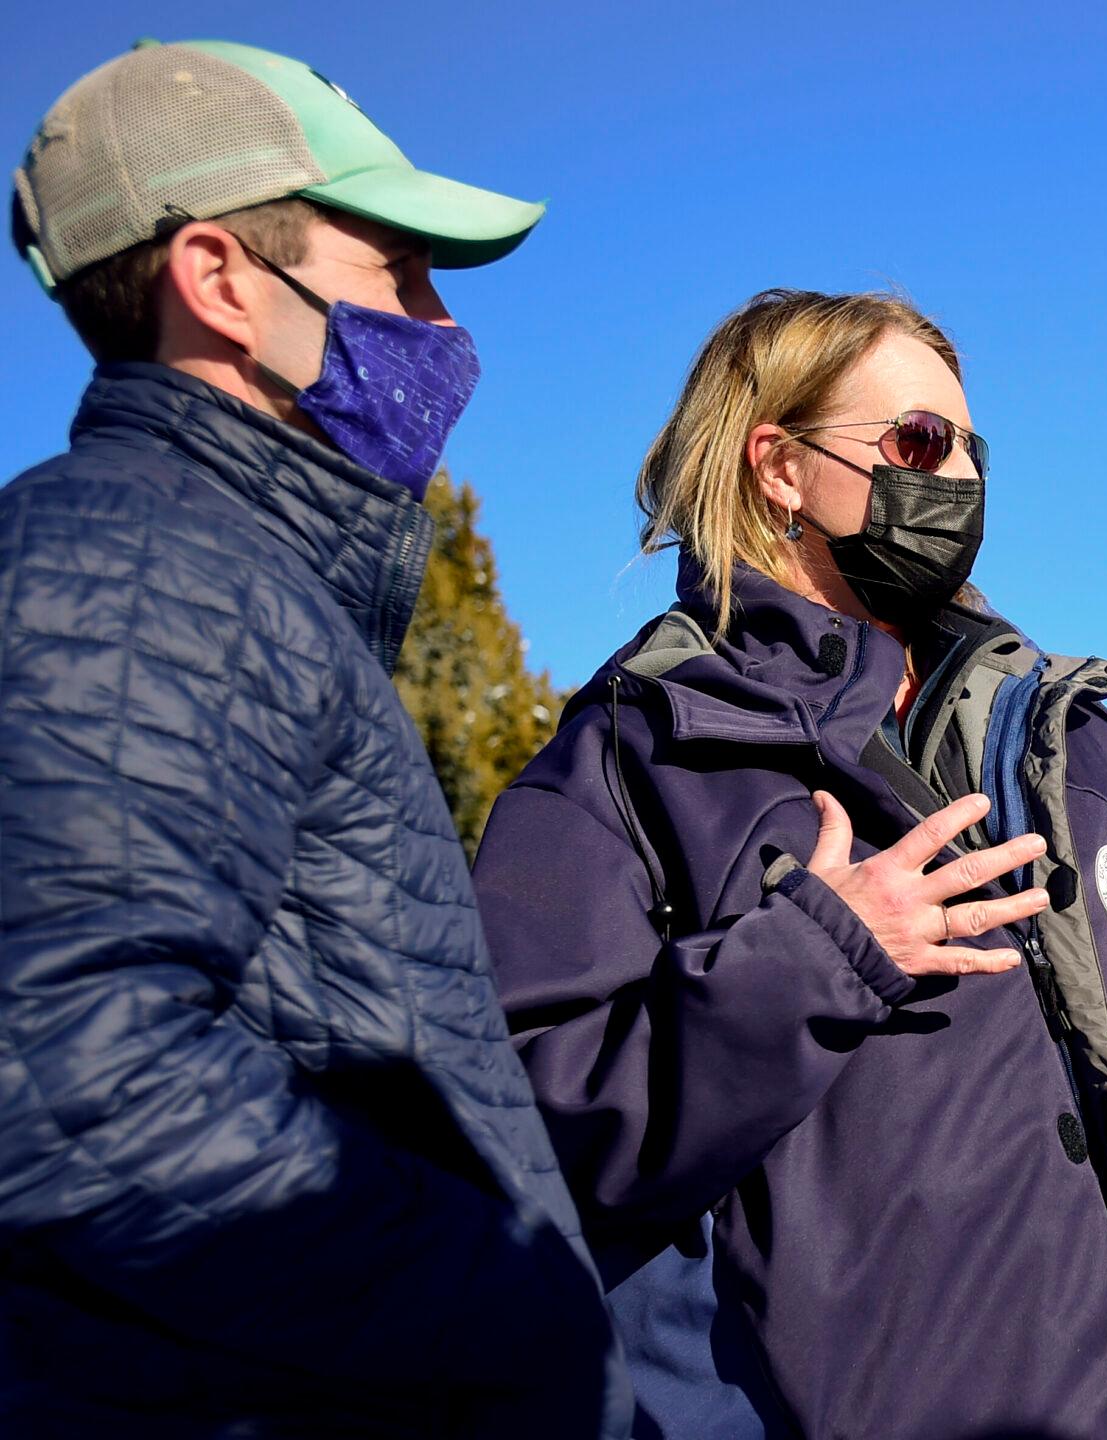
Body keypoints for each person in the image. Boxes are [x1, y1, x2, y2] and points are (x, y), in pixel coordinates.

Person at [469, 288, 1107, 1440]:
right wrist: (809, 962)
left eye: (969, 449)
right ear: (779, 467)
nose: (956, 481)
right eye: (917, 441)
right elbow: (520, 1116)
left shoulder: (1082, 742)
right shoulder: (640, 755)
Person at [0, 39, 626, 1436]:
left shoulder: (226, 576)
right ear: (220, 281)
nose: (439, 322)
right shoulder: (142, 563)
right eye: (395, 269)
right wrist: (517, 1306)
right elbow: (59, 1067)